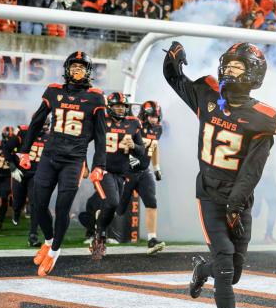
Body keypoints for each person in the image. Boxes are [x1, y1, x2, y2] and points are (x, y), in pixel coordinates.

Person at [164, 41, 276, 308]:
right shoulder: (207, 94)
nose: (229, 69)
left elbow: (252, 171)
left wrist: (235, 205)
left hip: (239, 198)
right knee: (225, 262)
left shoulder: (261, 119)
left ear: (253, 73)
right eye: (227, 63)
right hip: (208, 192)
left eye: (237, 65)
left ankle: (200, 270)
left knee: (233, 272)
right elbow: (175, 80)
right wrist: (172, 60)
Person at [18, 51, 107, 276]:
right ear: (67, 69)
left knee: (62, 208)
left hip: (74, 161)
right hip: (49, 156)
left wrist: (98, 165)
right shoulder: (53, 91)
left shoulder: (96, 97)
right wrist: (24, 151)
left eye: (82, 67)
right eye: (74, 67)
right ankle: (48, 240)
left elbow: (101, 136)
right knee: (38, 205)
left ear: (89, 72)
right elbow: (36, 122)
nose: (78, 71)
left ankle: (55, 251)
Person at [86, 92, 145, 260]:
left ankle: (98, 231)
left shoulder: (133, 124)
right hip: (103, 170)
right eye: (117, 106)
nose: (120, 109)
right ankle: (100, 238)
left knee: (116, 208)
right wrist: (83, 162)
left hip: (121, 173)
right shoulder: (102, 121)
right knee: (112, 202)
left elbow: (142, 151)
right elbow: (83, 141)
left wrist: (134, 145)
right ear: (110, 107)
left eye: (122, 106)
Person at [117, 100, 166, 255]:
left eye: (156, 116)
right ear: (144, 115)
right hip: (128, 171)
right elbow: (121, 140)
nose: (154, 119)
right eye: (151, 116)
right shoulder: (135, 125)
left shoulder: (158, 128)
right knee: (119, 208)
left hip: (144, 171)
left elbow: (154, 146)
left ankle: (152, 239)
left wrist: (156, 167)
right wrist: (128, 157)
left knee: (152, 203)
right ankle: (100, 222)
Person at [5, 120, 49, 247]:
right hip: (20, 172)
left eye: (45, 125)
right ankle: (16, 211)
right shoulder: (24, 132)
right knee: (18, 201)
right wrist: (13, 167)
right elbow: (7, 148)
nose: (42, 128)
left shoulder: (49, 137)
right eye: (41, 124)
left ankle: (33, 235)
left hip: (36, 174)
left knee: (34, 202)